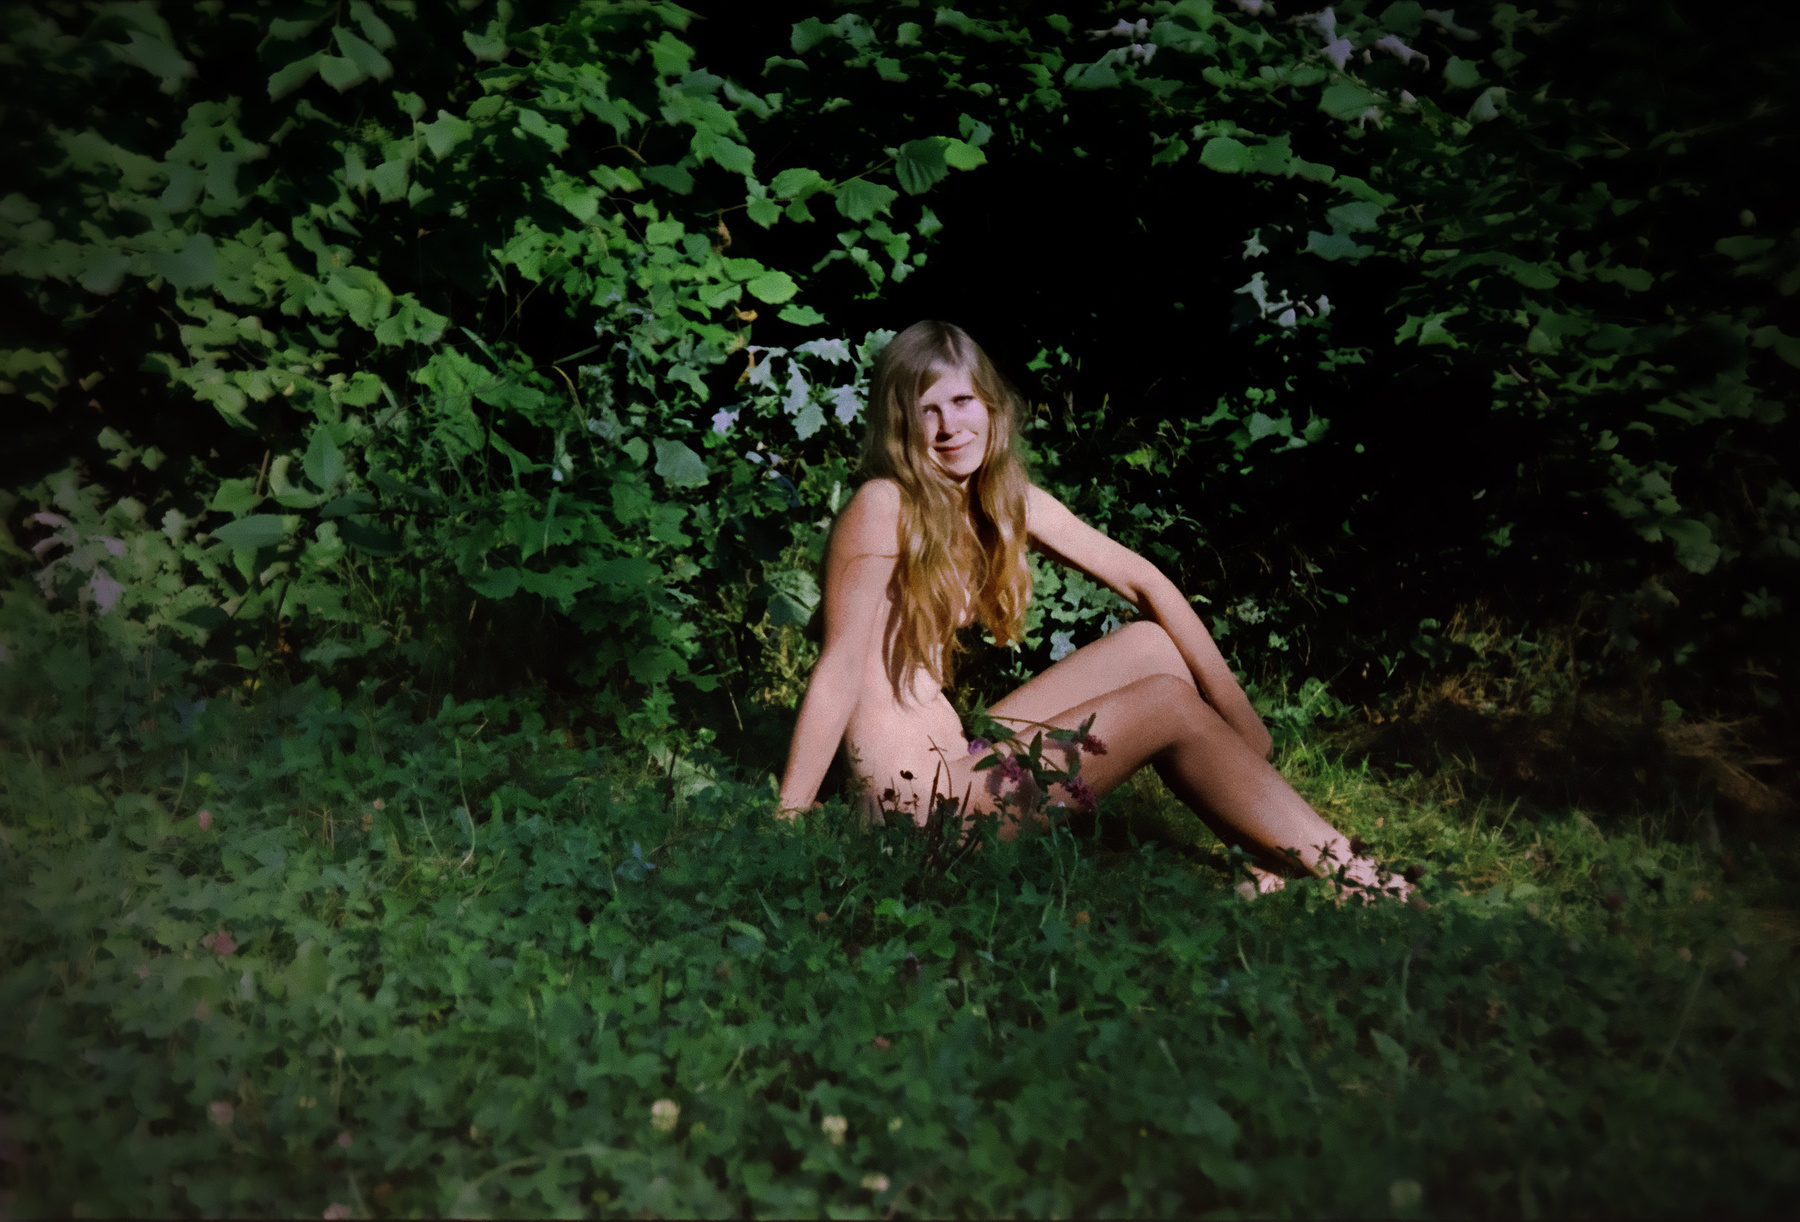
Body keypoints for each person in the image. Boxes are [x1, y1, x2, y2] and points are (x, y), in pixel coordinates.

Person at [776, 320, 1406, 897]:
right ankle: (1362, 879)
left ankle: (1267, 852)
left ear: (992, 406)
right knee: (1163, 702)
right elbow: (839, 668)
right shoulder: (883, 505)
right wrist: (787, 821)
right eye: (927, 410)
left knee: (1150, 647)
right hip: (922, 812)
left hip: (961, 760)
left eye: (962, 401)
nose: (949, 426)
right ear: (900, 425)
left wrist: (1242, 719)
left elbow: (1143, 579)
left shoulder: (998, 500)